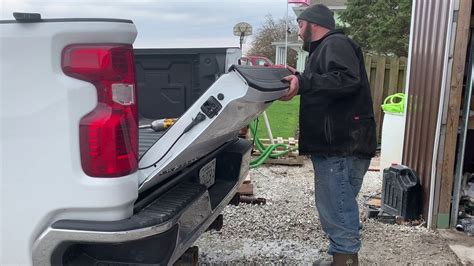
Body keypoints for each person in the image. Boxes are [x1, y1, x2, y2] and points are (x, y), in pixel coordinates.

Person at [280, 4, 377, 266]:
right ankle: (343, 255)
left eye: (300, 25)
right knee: (340, 203)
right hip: (342, 140)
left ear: (314, 23)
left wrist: (306, 81)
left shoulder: (335, 43)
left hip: (342, 142)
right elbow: (328, 81)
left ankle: (343, 260)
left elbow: (346, 80)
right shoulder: (326, 49)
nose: (299, 33)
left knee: (336, 205)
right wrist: (300, 78)